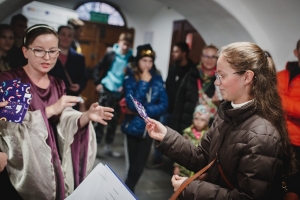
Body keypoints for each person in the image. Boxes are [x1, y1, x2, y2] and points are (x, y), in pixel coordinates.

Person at [145, 42, 297, 199]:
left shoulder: (262, 136)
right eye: (217, 76)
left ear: (247, 77)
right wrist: (166, 136)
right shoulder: (227, 113)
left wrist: (191, 188)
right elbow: (201, 157)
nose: (217, 82)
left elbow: (245, 197)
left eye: (222, 76)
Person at [0, 24, 114, 200]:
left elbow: (63, 119)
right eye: (39, 50)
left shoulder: (57, 84)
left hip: (52, 160)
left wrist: (85, 117)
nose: (47, 57)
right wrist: (50, 109)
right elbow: (13, 130)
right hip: (24, 166)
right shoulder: (12, 80)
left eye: (53, 51)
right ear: (25, 51)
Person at [121, 44, 168, 193]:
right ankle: (126, 193)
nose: (147, 64)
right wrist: (143, 82)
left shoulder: (158, 79)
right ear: (138, 61)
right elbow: (132, 104)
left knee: (139, 166)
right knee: (131, 166)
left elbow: (164, 104)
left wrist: (144, 111)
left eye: (150, 61)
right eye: (144, 60)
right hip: (132, 128)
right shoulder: (130, 78)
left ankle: (126, 192)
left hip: (149, 129)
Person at [147, 42, 195, 168]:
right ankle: (158, 159)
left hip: (182, 111)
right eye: (173, 51)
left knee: (178, 136)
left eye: (176, 51)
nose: (173, 54)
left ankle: (173, 164)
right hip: (168, 109)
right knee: (160, 133)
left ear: (184, 53)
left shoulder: (191, 70)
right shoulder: (173, 68)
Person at [93, 32, 133, 157]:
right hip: (107, 88)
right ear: (119, 43)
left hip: (119, 93)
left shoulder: (131, 59)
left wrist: (126, 87)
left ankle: (108, 147)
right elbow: (98, 67)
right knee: (101, 118)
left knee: (114, 121)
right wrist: (97, 82)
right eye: (123, 44)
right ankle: (95, 147)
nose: (125, 47)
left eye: (128, 44)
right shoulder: (111, 54)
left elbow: (132, 76)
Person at [171, 44, 220, 135]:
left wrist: (218, 103)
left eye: (213, 57)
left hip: (209, 131)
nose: (209, 60)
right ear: (201, 57)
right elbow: (179, 104)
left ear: (218, 59)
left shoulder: (221, 79)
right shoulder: (190, 75)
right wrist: (175, 131)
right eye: (206, 56)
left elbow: (228, 109)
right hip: (187, 127)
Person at [277, 39, 300, 197]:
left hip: (297, 143)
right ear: (296, 53)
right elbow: (268, 100)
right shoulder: (281, 75)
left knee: (293, 188)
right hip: (276, 138)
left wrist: (281, 101)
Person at [48, 25, 87, 111]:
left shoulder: (79, 58)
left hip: (70, 101)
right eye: (63, 34)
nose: (66, 38)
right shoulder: (48, 55)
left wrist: (79, 85)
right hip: (50, 98)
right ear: (57, 36)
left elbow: (83, 78)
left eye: (69, 36)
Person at [173, 104, 210, 177]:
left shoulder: (208, 136)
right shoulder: (187, 133)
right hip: (184, 169)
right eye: (196, 119)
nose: (198, 122)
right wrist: (177, 166)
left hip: (198, 172)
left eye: (202, 120)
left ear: (206, 122)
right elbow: (180, 149)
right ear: (193, 120)